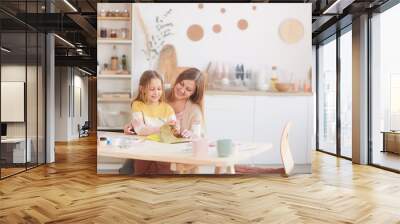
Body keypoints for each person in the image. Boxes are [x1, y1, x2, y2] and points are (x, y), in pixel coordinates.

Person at [121, 68, 206, 174]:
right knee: (129, 171)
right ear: (177, 80)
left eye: (188, 89)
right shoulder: (161, 93)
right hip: (146, 148)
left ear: (194, 93)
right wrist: (131, 126)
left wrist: (189, 134)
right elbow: (141, 119)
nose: (182, 90)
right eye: (181, 84)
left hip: (172, 155)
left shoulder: (194, 111)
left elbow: (196, 138)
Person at [129, 70, 178, 175]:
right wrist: (162, 128)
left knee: (164, 179)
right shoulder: (137, 105)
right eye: (152, 89)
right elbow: (140, 129)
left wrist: (175, 128)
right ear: (142, 89)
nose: (156, 93)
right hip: (143, 150)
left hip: (163, 151)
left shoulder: (168, 109)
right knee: (140, 178)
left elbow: (172, 130)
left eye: (159, 89)